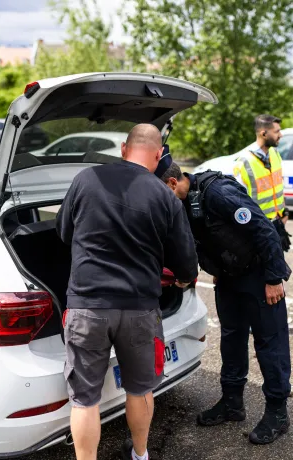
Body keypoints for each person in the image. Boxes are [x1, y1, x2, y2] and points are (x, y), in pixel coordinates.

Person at [55, 124, 198, 460]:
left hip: (87, 306)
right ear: (159, 154)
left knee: (85, 398)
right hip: (140, 310)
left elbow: (63, 232)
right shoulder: (165, 195)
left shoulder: (86, 179)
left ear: (123, 148)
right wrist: (180, 278)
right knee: (140, 388)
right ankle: (140, 454)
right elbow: (187, 265)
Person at [157, 158, 292, 445]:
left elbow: (263, 230)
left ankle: (278, 414)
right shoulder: (182, 203)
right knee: (231, 340)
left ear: (172, 183)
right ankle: (232, 403)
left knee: (270, 344)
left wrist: (273, 278)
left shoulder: (217, 192)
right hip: (229, 279)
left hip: (259, 277)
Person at [233, 114, 291, 251]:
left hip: (277, 223)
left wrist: (284, 213)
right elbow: (237, 201)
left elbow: (278, 187)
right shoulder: (244, 162)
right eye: (276, 131)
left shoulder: (275, 154)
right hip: (257, 227)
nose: (281, 135)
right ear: (263, 133)